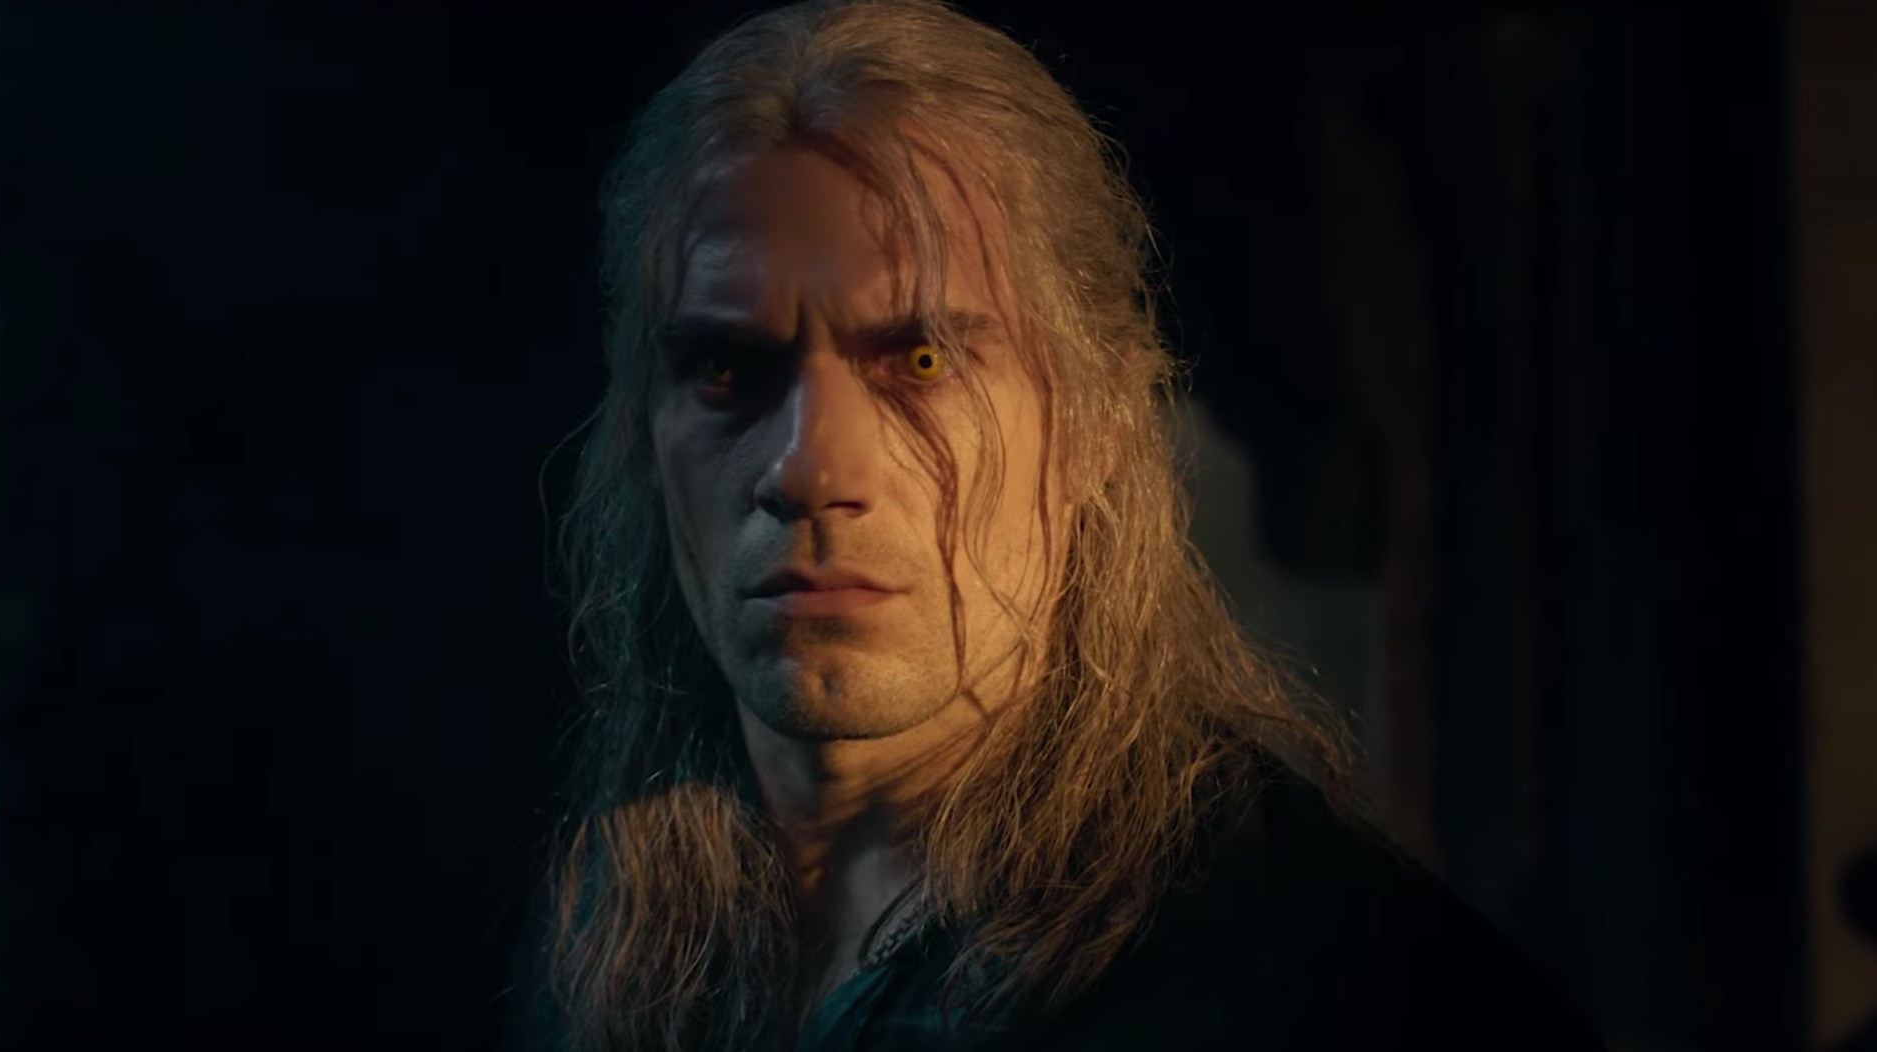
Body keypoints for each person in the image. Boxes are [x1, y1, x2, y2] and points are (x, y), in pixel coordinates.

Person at [539, 1, 1605, 1048]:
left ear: (1099, 421)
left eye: (922, 360)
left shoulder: (1358, 1000)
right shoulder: (608, 943)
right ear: (642, 436)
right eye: (727, 367)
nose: (809, 469)